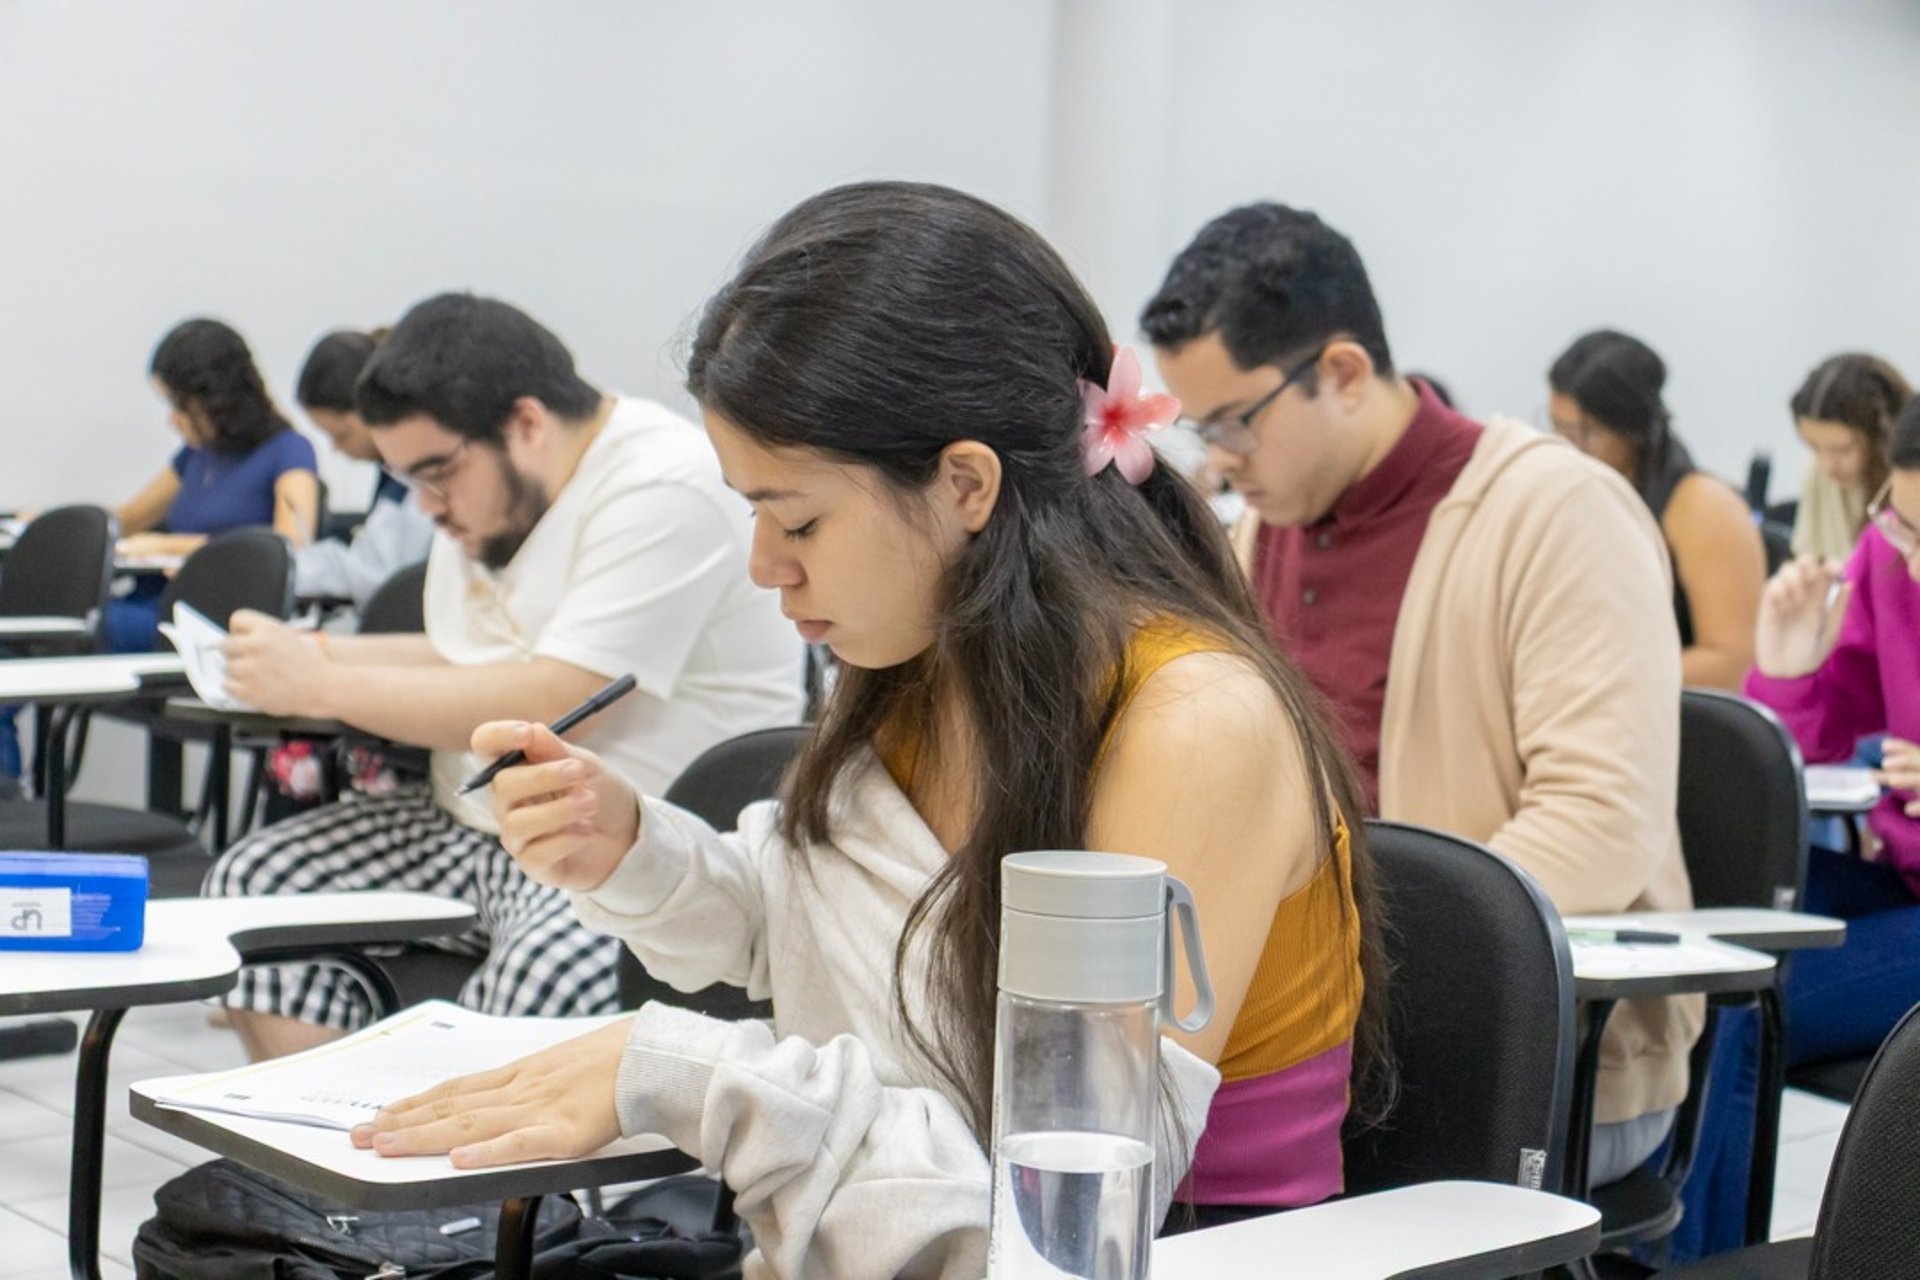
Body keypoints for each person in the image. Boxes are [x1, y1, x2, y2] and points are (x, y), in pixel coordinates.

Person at [350, 182, 1388, 1276]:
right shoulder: (921, 656)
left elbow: (1065, 1218)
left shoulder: (1192, 723)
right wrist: (631, 847)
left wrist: (691, 1073)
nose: (765, 564)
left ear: (965, 484)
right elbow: (803, 928)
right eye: (751, 510)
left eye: (796, 517)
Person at [1141, 203, 1698, 1187]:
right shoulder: (1253, 535)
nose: (1217, 459)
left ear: (1346, 373)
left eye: (1234, 422)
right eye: (1200, 427)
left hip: (1514, 1053)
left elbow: (1600, 820)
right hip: (1309, 1037)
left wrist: (1334, 972)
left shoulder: (1560, 512)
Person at [203, 292, 806, 1062]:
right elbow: (463, 655)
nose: (429, 508)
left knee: (537, 984)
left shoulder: (663, 485)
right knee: (256, 886)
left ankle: (455, 1179)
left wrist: (315, 683)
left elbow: (556, 700)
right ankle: (320, 1152)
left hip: (621, 839)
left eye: (437, 475)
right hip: (479, 825)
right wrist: (312, 654)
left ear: (524, 423)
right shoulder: (497, 491)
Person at [1745, 393, 1920, 1069]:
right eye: (1904, 526)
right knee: (1719, 955)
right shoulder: (1885, 556)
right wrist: (1789, 676)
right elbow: (1821, 751)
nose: (1914, 565)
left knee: (1756, 1013)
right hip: (1900, 878)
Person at [1547, 330, 1765, 691]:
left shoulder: (1703, 506)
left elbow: (1733, 664)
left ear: (1632, 430)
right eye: (1557, 428)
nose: (1568, 448)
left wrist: (1587, 679)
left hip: (1672, 722)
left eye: (1583, 433)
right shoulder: (1571, 491)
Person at [105, 318, 320, 650]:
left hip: (211, 616)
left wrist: (170, 546)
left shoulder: (290, 451)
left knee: (90, 622)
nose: (172, 420)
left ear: (217, 400)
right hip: (156, 599)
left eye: (180, 406)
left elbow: (289, 547)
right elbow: (131, 518)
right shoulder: (197, 454)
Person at [291, 328, 435, 608]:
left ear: (370, 410)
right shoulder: (392, 475)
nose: (335, 448)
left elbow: (377, 575)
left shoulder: (419, 480)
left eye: (340, 435)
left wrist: (291, 568)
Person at [1787, 353, 1912, 560]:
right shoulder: (1816, 474)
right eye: (1814, 447)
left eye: (1842, 449)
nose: (1827, 467)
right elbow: (1809, 560)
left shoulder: (1910, 483)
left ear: (1883, 437)